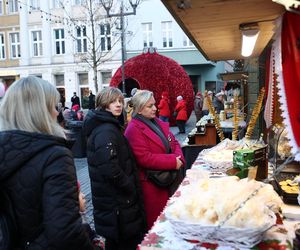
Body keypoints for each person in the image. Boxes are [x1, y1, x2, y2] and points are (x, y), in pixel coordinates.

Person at [0, 76, 94, 249]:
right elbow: (66, 232)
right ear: (39, 111)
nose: (57, 113)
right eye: (54, 106)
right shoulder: (55, 155)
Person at [82, 87, 146, 250]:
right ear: (103, 105)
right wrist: (129, 186)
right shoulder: (106, 130)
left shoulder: (108, 125)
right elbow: (110, 169)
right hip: (117, 204)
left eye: (119, 101)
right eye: (112, 101)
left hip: (115, 203)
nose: (118, 105)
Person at [124, 90, 185, 230]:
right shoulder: (133, 129)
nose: (155, 108)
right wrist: (173, 161)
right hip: (152, 184)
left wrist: (179, 157)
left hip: (169, 179)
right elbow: (144, 158)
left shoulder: (156, 121)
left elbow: (174, 142)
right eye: (150, 106)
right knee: (159, 226)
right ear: (139, 109)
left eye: (154, 105)